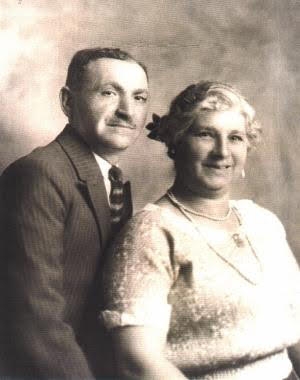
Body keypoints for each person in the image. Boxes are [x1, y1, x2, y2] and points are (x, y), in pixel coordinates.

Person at [100, 81, 300, 379]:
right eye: (206, 134)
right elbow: (137, 363)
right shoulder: (151, 232)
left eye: (235, 137)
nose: (222, 152)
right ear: (177, 143)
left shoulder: (263, 223)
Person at [0, 47, 149, 379]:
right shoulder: (40, 173)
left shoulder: (115, 181)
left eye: (139, 98)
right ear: (68, 102)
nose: (127, 111)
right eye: (109, 93)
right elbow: (35, 319)